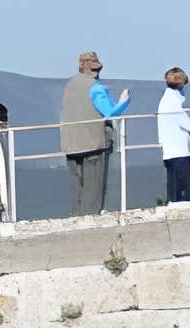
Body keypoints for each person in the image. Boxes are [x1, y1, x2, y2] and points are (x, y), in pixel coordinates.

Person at [61, 51, 129, 216]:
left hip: (70, 143)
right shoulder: (96, 88)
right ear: (96, 69)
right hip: (93, 142)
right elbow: (110, 112)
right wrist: (124, 102)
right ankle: (90, 216)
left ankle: (75, 216)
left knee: (76, 184)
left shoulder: (69, 85)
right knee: (94, 185)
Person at [157, 67, 190, 205]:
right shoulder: (172, 101)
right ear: (181, 84)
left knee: (175, 188)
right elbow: (188, 125)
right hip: (179, 152)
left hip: (171, 151)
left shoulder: (167, 100)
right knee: (186, 189)